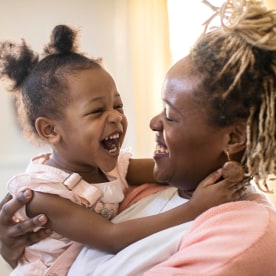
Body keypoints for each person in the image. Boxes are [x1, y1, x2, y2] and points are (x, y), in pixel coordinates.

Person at [1, 0, 276, 274]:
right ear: (50, 130)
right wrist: (15, 254)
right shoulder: (58, 191)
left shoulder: (241, 235)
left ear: (233, 137)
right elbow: (107, 238)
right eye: (97, 110)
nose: (152, 122)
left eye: (170, 114)